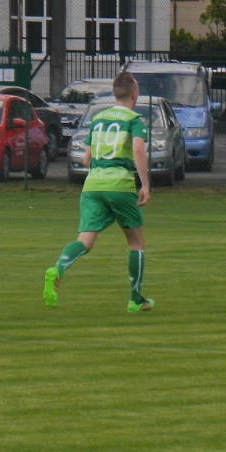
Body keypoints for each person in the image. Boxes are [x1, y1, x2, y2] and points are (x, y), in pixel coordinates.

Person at [43, 71, 155, 312]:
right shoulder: (135, 119)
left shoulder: (98, 118)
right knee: (136, 243)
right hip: (119, 185)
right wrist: (145, 185)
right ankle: (135, 299)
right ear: (135, 94)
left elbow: (86, 159)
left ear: (115, 93)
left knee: (84, 240)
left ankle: (58, 268)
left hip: (92, 185)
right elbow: (137, 150)